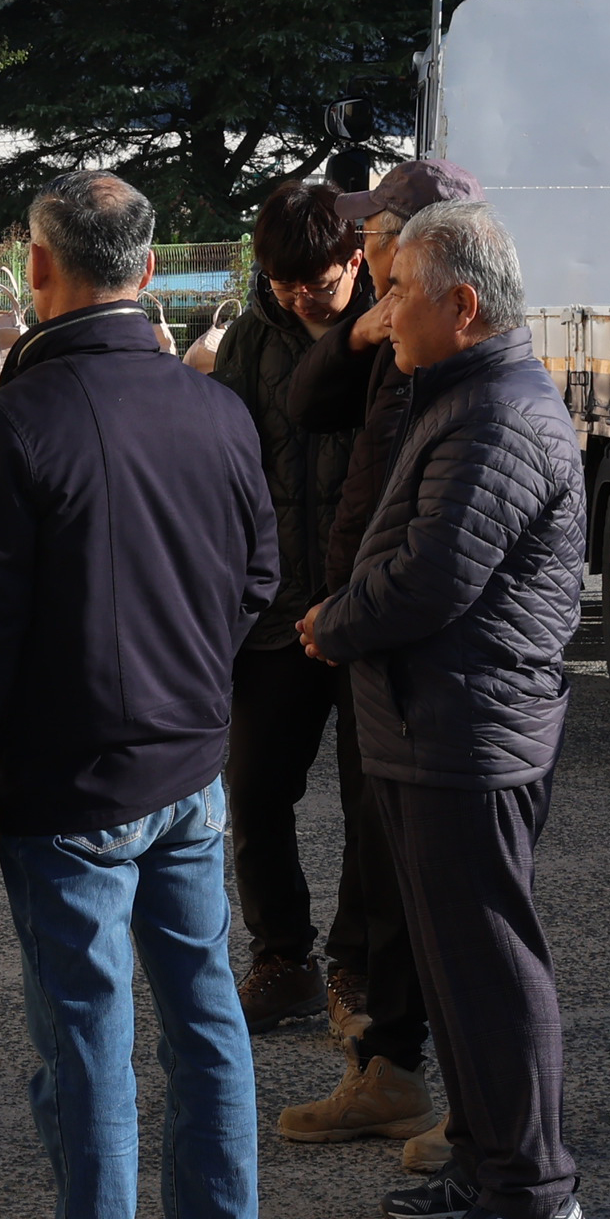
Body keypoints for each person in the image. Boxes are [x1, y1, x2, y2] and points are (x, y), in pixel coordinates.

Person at [0, 174, 279, 1219]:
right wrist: (188, 676)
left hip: (70, 776)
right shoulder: (216, 409)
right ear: (147, 270)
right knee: (204, 1011)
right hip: (189, 763)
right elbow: (258, 578)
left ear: (38, 268)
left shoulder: (20, 421)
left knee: (86, 1029)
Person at [300, 198, 591, 1219]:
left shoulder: (500, 413)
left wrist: (336, 621)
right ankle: (483, 1155)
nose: (383, 312)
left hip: (470, 729)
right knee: (452, 959)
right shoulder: (457, 392)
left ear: (462, 306)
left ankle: (536, 1189)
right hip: (433, 722)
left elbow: (434, 575)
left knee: (488, 961)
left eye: (399, 293)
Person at [268, 160, 483, 1162]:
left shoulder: (460, 362)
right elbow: (309, 407)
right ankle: (388, 1065)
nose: (361, 256)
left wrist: (351, 615)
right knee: (373, 858)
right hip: (363, 641)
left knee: (425, 885)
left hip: (410, 656)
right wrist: (356, 331)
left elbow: (436, 547)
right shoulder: (394, 342)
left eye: (379, 235)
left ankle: (452, 1098)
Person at [198, 181, 373, 1034]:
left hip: (366, 608)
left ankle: (356, 966)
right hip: (272, 608)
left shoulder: (388, 329)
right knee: (257, 786)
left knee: (371, 798)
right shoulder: (251, 342)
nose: (300, 294)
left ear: (356, 257)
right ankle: (283, 957)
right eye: (281, 280)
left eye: (318, 279)